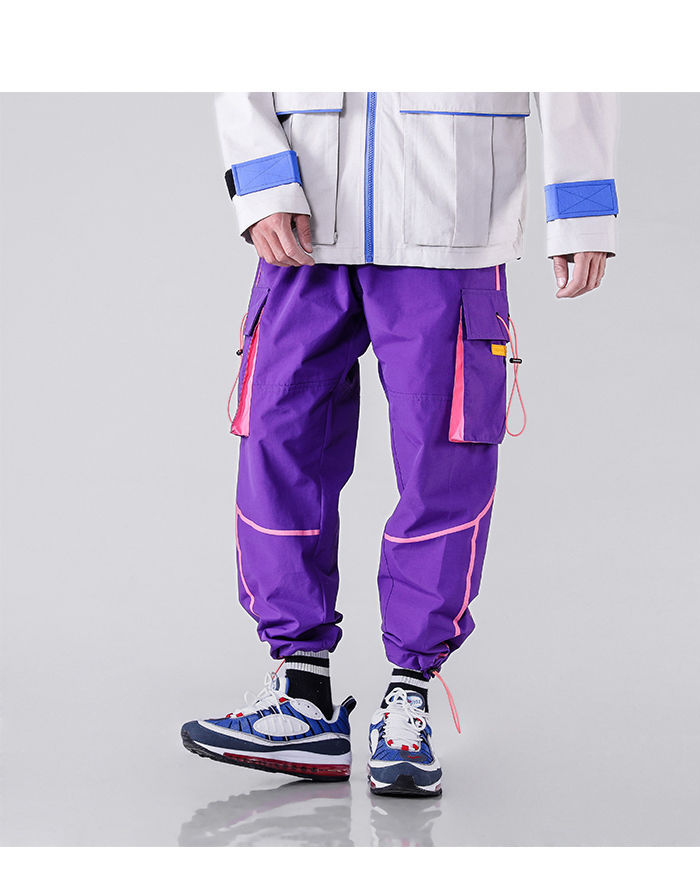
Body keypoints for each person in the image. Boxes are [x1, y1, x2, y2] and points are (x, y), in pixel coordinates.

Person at [181, 92, 618, 798]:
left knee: (443, 460)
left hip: (451, 210)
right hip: (308, 208)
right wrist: (261, 181)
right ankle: (302, 694)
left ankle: (408, 699)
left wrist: (583, 207)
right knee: (277, 440)